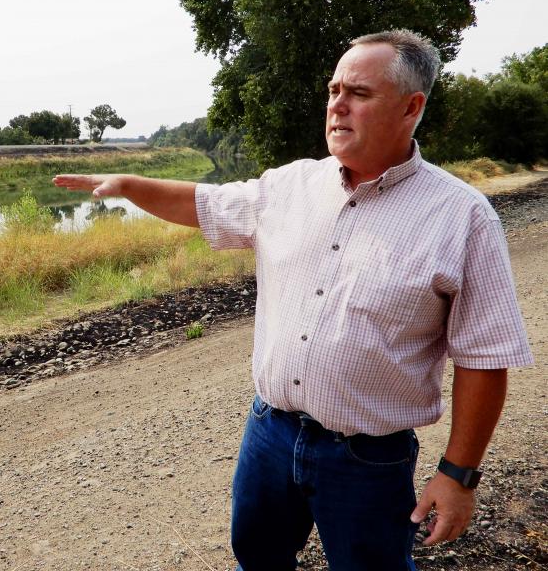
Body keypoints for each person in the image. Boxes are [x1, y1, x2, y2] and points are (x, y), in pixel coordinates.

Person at [53, 29, 533, 570]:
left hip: (368, 459)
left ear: (411, 106)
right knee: (257, 561)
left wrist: (458, 474)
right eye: (333, 91)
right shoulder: (289, 187)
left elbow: (485, 357)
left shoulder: (462, 217)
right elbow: (205, 203)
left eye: (358, 93)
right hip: (270, 434)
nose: (337, 105)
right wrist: (130, 184)